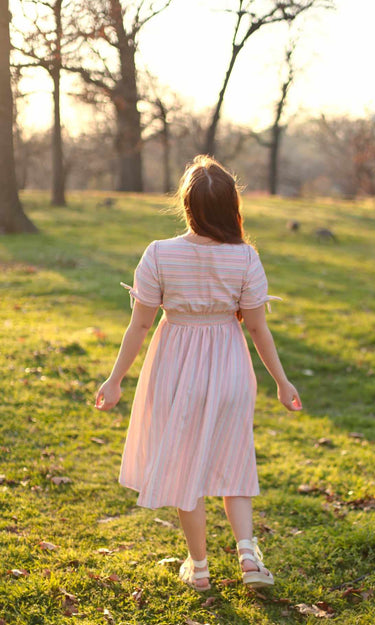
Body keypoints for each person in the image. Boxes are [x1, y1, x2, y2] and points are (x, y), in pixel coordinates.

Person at [95, 155, 302, 592]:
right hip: (229, 368)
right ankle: (248, 557)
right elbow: (259, 329)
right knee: (234, 457)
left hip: (174, 369)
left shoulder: (160, 254)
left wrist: (115, 380)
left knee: (186, 464)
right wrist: (282, 382)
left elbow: (139, 325)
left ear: (187, 205)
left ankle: (201, 567)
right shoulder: (245, 258)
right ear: (231, 206)